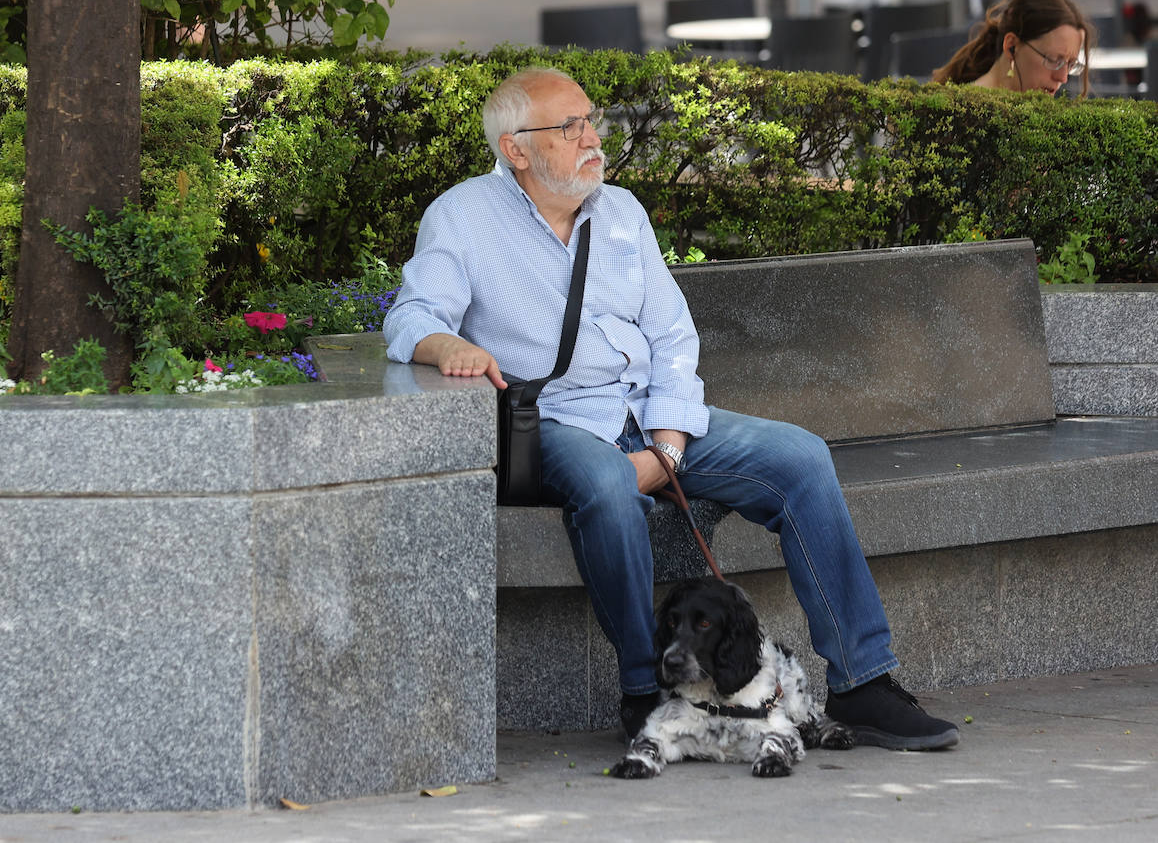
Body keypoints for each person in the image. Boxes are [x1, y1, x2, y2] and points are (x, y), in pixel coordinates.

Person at [383, 67, 960, 751]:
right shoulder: (463, 216)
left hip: (653, 415)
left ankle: (863, 680)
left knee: (802, 457)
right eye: (570, 128)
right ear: (516, 148)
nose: (592, 138)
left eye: (591, 120)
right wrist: (448, 343)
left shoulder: (621, 211)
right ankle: (645, 688)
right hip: (561, 420)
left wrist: (667, 445)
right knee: (603, 486)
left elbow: (672, 336)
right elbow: (411, 316)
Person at [932, 0, 1094, 97]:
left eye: (1071, 64)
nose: (1063, 78)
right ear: (1011, 46)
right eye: (1054, 60)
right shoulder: (966, 116)